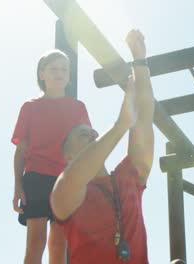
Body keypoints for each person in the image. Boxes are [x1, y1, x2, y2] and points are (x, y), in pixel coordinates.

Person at [50, 29, 154, 264]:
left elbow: (145, 117)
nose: (93, 134)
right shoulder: (63, 192)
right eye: (83, 134)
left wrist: (140, 62)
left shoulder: (129, 177)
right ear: (68, 155)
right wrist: (121, 125)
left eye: (93, 132)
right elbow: (74, 178)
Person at [11, 49, 91, 264]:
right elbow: (20, 150)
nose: (60, 73)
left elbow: (87, 149)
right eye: (54, 69)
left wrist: (87, 184)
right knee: (36, 241)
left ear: (69, 75)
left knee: (59, 243)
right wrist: (18, 185)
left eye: (64, 69)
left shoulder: (78, 107)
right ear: (42, 74)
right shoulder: (29, 107)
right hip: (36, 177)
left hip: (66, 180)